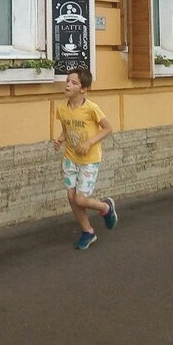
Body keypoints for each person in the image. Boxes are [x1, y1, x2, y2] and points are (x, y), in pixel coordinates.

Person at [52, 67, 117, 250]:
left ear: (83, 89)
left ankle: (105, 208)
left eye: (74, 83)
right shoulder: (62, 109)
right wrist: (60, 140)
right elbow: (67, 129)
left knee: (80, 200)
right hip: (70, 158)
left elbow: (108, 128)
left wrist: (89, 142)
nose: (68, 85)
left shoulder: (91, 108)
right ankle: (87, 231)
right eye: (67, 81)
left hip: (89, 160)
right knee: (71, 197)